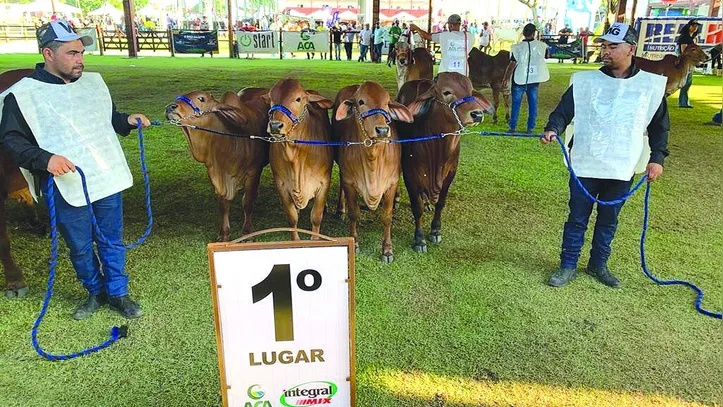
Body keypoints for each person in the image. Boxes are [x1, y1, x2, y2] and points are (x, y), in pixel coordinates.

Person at [0, 20, 151, 318]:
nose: (80, 60)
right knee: (80, 245)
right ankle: (95, 292)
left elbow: (104, 121)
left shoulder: (92, 85)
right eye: (71, 53)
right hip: (63, 183)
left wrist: (126, 120)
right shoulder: (24, 95)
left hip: (103, 176)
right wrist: (46, 160)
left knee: (111, 238)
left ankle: (118, 293)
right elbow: (12, 140)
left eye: (81, 53)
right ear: (48, 54)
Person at [541, 22, 669, 288]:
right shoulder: (586, 82)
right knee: (577, 217)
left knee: (609, 219)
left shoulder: (649, 87)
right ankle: (567, 265)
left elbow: (659, 126)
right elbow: (563, 111)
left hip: (621, 166)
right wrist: (553, 128)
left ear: (631, 49)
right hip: (586, 163)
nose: (605, 51)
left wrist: (657, 158)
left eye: (613, 46)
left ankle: (598, 264)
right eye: (603, 46)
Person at [503, 23, 550, 133]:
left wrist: (506, 77)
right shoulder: (542, 45)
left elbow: (512, 63)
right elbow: (547, 56)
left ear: (523, 33)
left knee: (516, 103)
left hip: (519, 78)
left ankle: (513, 127)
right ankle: (530, 128)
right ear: (534, 33)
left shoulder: (517, 47)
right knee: (533, 103)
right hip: (534, 79)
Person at [409, 14, 475, 76]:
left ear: (451, 25)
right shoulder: (470, 36)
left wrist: (416, 28)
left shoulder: (444, 35)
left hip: (445, 74)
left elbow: (426, 36)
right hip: (463, 74)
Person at [676, 19, 701, 108]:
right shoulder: (684, 37)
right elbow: (684, 52)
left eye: (696, 26)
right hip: (685, 62)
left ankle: (683, 102)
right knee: (686, 82)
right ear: (689, 26)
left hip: (689, 62)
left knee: (687, 82)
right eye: (693, 25)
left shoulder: (692, 37)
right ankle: (683, 102)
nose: (695, 27)